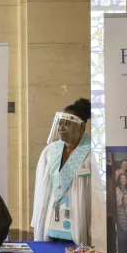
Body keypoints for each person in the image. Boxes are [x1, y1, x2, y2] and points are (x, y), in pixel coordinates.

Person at [32, 98, 92, 245]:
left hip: (79, 220)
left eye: (67, 123)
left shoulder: (93, 152)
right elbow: (41, 189)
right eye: (60, 123)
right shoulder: (50, 151)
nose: (61, 127)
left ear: (82, 126)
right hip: (51, 220)